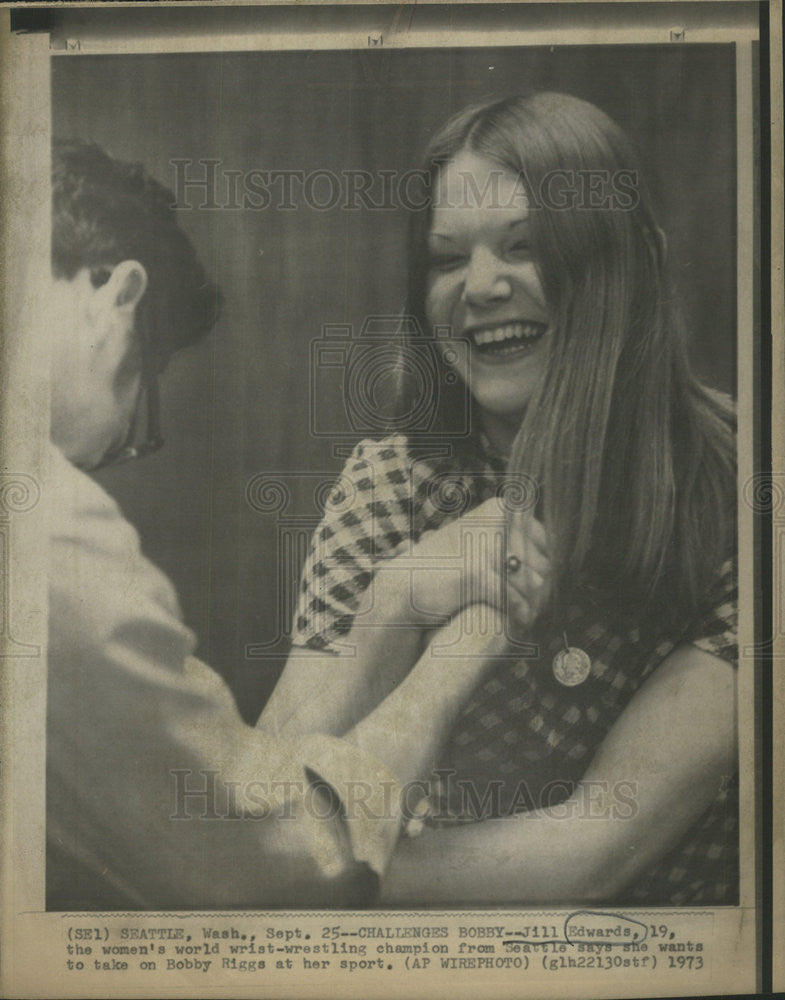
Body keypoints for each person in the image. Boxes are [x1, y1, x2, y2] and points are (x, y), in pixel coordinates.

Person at [259, 93, 739, 906]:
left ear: (630, 261)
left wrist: (310, 876)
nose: (479, 287)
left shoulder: (744, 488)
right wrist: (395, 601)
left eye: (527, 247)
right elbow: (266, 788)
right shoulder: (391, 478)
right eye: (447, 260)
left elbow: (596, 847)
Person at [46, 138, 495, 910]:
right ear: (118, 296)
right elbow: (264, 857)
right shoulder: (51, 528)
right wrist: (466, 642)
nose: (115, 443)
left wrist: (390, 604)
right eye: (140, 391)